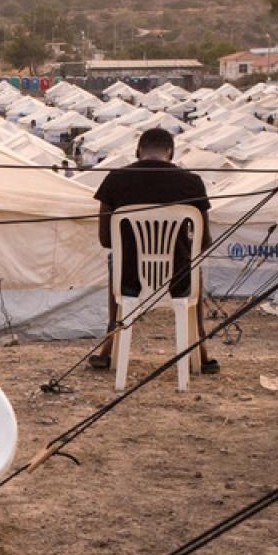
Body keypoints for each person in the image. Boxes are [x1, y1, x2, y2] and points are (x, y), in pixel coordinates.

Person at [90, 127, 217, 374]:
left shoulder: (115, 179)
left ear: (138, 151)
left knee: (115, 257)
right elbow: (204, 242)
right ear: (170, 152)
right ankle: (200, 349)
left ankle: (110, 342)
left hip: (129, 280)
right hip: (179, 280)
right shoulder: (192, 182)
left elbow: (106, 239)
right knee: (194, 265)